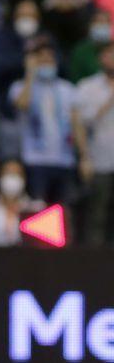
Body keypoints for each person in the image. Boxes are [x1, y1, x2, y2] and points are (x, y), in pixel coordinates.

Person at [10, 36, 91, 205]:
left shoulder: (67, 89)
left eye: (50, 59)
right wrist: (30, 75)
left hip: (64, 160)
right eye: (42, 59)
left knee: (63, 211)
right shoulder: (20, 86)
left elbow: (76, 125)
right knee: (37, 210)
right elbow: (23, 104)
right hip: (35, 160)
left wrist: (84, 156)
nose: (46, 63)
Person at [76, 40, 114, 244]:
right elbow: (82, 122)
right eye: (110, 53)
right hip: (100, 161)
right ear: (101, 58)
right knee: (97, 215)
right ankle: (95, 266)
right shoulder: (88, 87)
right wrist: (84, 158)